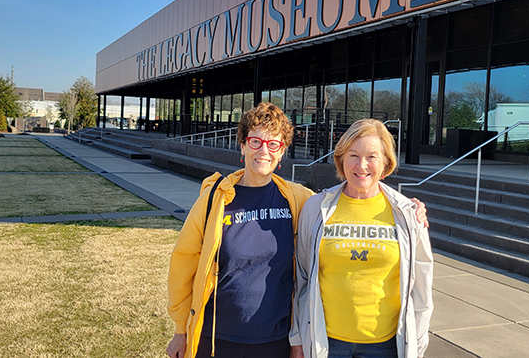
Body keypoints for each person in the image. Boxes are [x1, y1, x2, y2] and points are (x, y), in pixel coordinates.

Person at [166, 105, 428, 358]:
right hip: (217, 337)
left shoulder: (299, 200)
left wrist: (411, 207)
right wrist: (180, 329)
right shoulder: (216, 199)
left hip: (275, 340)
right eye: (255, 142)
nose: (263, 151)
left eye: (273, 144)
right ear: (243, 145)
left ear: (282, 152)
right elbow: (183, 261)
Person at [290, 119, 434, 358]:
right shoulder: (316, 208)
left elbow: (422, 287)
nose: (362, 165)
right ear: (341, 159)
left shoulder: (407, 213)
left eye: (372, 157)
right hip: (326, 342)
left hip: (386, 346)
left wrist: (417, 345)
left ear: (386, 162)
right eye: (353, 155)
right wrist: (297, 339)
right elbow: (302, 279)